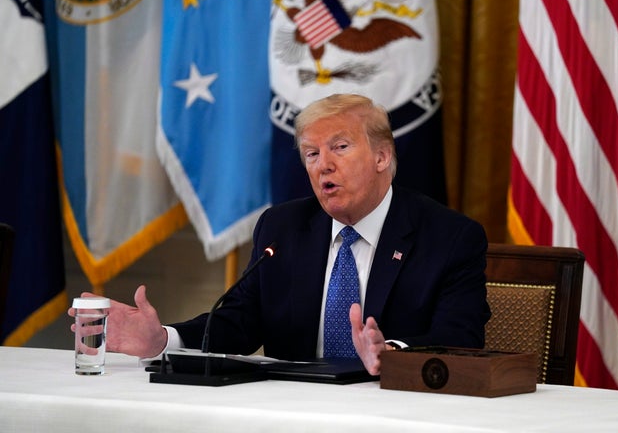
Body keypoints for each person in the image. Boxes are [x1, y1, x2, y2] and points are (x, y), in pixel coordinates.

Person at [69, 93, 491, 375]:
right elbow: (238, 321)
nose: (322, 164)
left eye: (340, 148)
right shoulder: (283, 228)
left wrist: (392, 354)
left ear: (382, 156)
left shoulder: (450, 238)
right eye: (311, 153)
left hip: (393, 412)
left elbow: (462, 338)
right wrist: (164, 340)